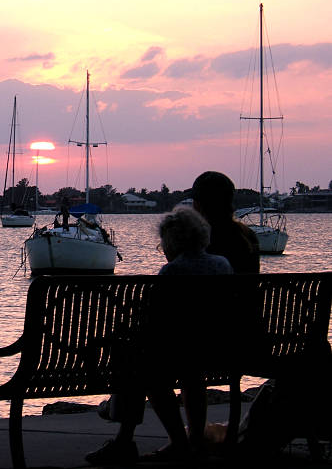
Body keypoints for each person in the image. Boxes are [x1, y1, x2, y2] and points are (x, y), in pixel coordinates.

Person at [85, 171, 260, 466]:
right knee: (164, 359)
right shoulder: (246, 239)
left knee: (139, 358)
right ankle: (190, 442)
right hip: (238, 340)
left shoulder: (202, 244)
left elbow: (169, 314)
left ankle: (145, 440)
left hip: (196, 345)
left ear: (199, 205)